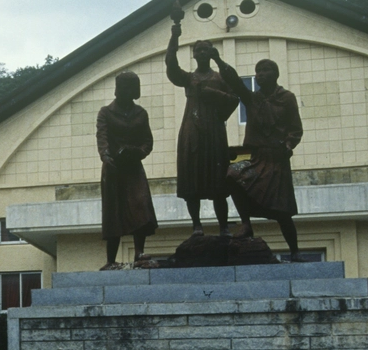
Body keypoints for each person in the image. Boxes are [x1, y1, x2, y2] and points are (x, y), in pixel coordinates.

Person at [214, 56, 304, 259]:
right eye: (258, 71)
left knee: (282, 211)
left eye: (265, 70)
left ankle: (295, 250)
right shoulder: (252, 99)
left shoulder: (287, 98)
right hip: (257, 157)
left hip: (277, 159)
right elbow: (235, 81)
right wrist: (217, 59)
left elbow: (296, 129)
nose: (260, 74)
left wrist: (288, 145)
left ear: (276, 74)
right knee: (233, 174)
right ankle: (246, 224)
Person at [166, 18, 240, 236]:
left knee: (219, 184)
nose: (202, 53)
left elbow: (235, 95)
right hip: (192, 130)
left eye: (206, 50)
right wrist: (175, 36)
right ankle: (197, 225)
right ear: (194, 55)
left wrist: (210, 91)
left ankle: (224, 226)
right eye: (198, 50)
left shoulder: (219, 76)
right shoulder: (188, 78)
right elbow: (170, 63)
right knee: (192, 181)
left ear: (211, 53)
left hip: (214, 132)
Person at [97, 71, 158, 270]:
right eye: (124, 87)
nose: (127, 91)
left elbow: (148, 142)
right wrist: (106, 157)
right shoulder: (106, 112)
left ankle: (139, 252)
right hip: (113, 168)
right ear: (117, 89)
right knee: (113, 212)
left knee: (140, 205)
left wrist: (138, 152)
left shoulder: (141, 113)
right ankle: (110, 259)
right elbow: (102, 137)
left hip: (133, 167)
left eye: (132, 87)